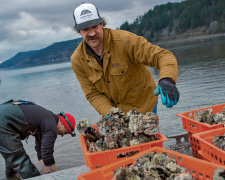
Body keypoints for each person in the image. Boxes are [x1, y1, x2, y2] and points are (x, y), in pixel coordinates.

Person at [71, 3, 180, 116]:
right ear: (79, 31)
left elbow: (162, 56)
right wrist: (110, 114)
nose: (92, 33)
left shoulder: (125, 41)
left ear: (101, 24)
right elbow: (92, 94)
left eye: (95, 26)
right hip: (116, 114)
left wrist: (167, 79)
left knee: (148, 132)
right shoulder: (77, 60)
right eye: (85, 29)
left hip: (144, 106)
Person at [0, 99, 76, 179]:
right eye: (66, 132)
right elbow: (47, 153)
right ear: (62, 123)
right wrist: (57, 176)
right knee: (21, 162)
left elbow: (41, 152)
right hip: (4, 123)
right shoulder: (51, 125)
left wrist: (48, 173)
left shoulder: (46, 119)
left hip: (5, 115)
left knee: (12, 161)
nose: (63, 135)